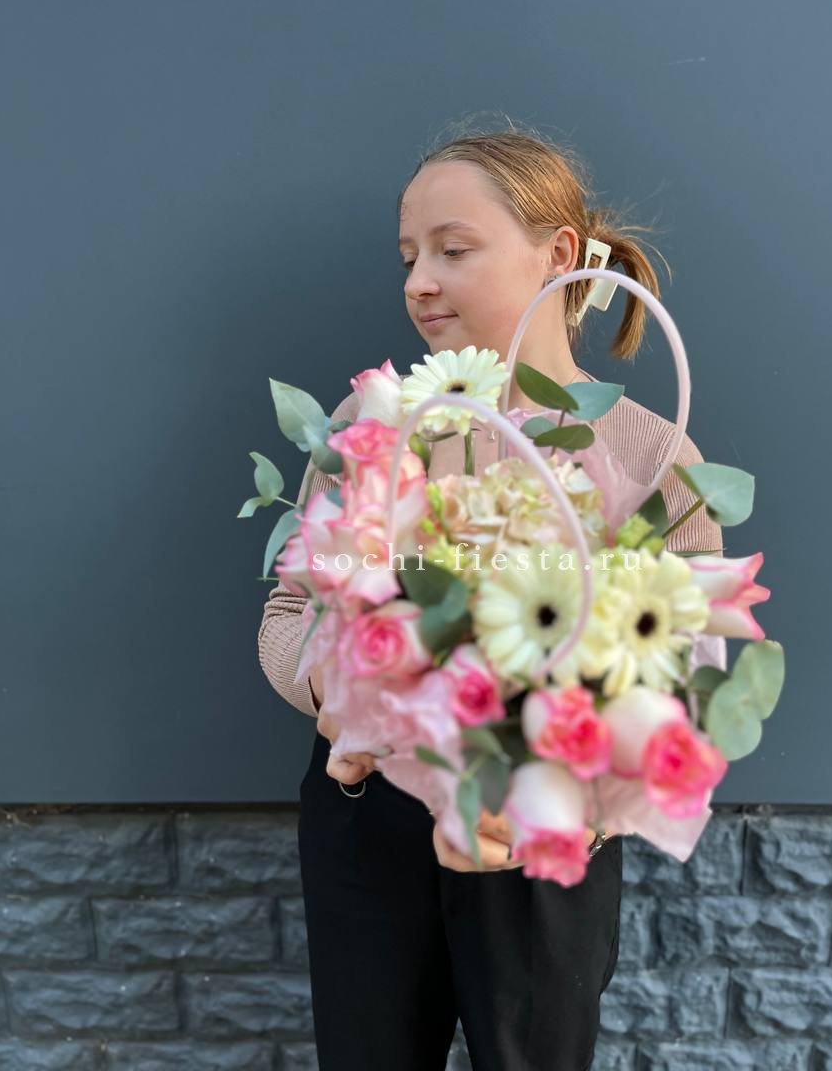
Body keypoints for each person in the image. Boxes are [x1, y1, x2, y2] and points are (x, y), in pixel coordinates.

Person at [257, 126, 724, 1070]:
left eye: (453, 249)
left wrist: (577, 805)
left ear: (557, 254)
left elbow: (690, 669)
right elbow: (289, 612)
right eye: (409, 257)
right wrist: (347, 689)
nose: (419, 282)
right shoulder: (372, 422)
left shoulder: (648, 453)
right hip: (368, 812)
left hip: (542, 823)